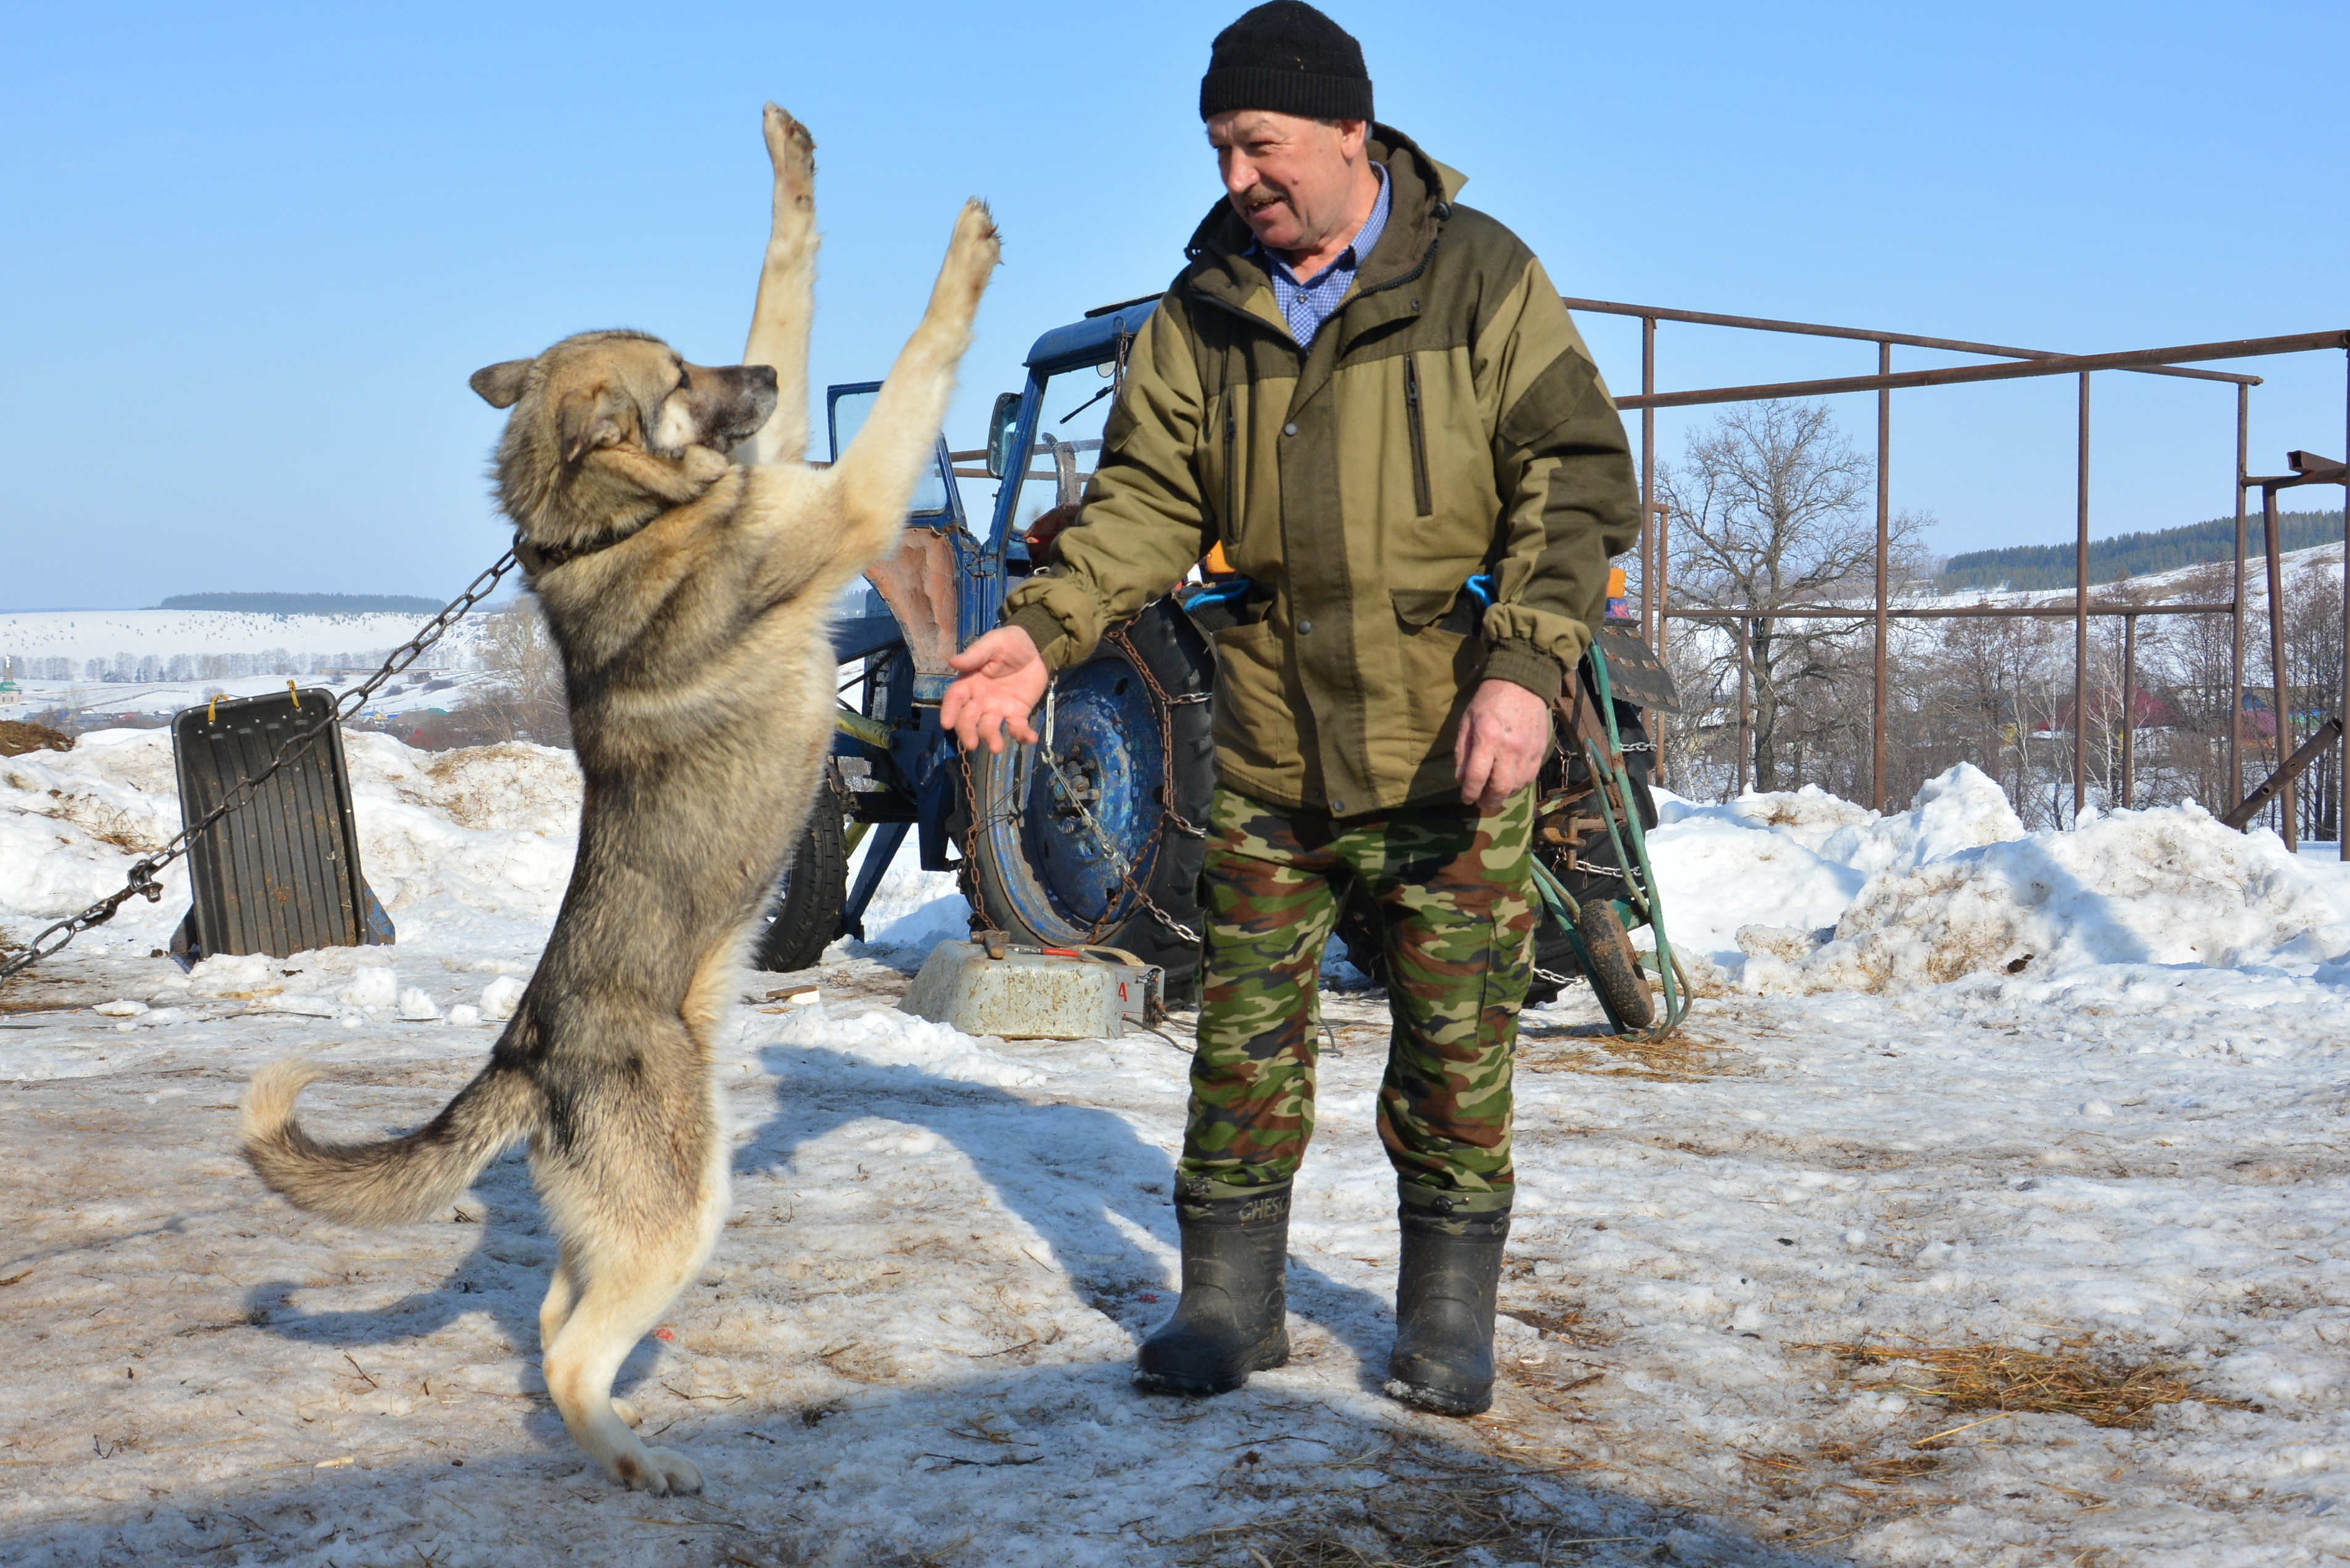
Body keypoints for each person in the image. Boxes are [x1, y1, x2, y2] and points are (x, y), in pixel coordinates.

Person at [940, 0, 1638, 1416]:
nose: (1238, 175)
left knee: (1454, 1052)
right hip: (1266, 749)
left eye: (1260, 143)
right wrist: (1038, 632)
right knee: (1241, 1040)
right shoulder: (1203, 311)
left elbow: (1573, 484)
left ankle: (1444, 1314)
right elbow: (1143, 502)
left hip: (1447, 742)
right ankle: (1227, 1305)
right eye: (1217, 148)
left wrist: (1520, 667)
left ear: (1348, 132)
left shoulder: (1482, 281)